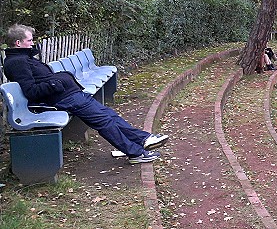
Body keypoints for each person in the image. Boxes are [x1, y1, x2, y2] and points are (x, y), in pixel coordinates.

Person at [3, 24, 168, 164]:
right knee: (103, 121)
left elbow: (40, 80)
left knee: (108, 114)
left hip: (67, 95)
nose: (33, 44)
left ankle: (143, 140)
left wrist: (59, 81)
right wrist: (57, 83)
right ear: (18, 43)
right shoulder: (17, 63)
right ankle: (135, 153)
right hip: (60, 99)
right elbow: (31, 91)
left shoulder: (25, 58)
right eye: (29, 40)